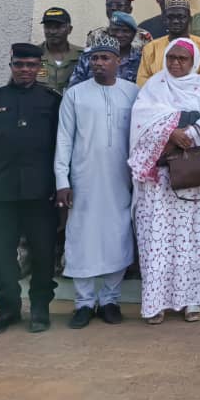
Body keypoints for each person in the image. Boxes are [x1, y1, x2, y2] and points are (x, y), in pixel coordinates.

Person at [0, 43, 61, 334]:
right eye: (19, 65)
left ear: (39, 67)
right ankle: (7, 311)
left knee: (43, 254)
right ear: (11, 65)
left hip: (40, 192)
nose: (25, 70)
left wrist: (62, 187)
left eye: (31, 65)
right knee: (1, 255)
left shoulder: (51, 100)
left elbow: (62, 146)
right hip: (1, 192)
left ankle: (40, 310)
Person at [128, 38, 200, 324]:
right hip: (159, 182)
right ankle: (155, 304)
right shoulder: (154, 86)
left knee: (192, 239)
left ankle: (191, 302)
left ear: (192, 61)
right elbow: (140, 120)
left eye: (182, 59)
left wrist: (188, 133)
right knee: (157, 238)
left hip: (194, 177)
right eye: (172, 58)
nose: (176, 64)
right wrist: (171, 131)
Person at [53, 35, 137, 328]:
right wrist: (62, 181)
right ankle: (84, 303)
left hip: (120, 181)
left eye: (105, 58)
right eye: (94, 58)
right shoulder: (75, 95)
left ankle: (110, 300)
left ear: (119, 61)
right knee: (83, 238)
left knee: (118, 235)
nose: (98, 63)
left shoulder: (133, 93)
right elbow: (63, 140)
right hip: (84, 180)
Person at [136, 0, 200, 86]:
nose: (175, 21)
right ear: (164, 19)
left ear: (189, 19)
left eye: (181, 17)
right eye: (170, 17)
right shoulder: (151, 48)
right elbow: (142, 81)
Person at [68, 12, 141, 87]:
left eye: (125, 31)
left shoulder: (140, 59)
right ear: (108, 32)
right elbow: (74, 87)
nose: (119, 35)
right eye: (115, 30)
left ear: (134, 34)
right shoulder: (89, 55)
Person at [86, 0, 152, 53]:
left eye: (119, 5)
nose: (113, 8)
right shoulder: (95, 35)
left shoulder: (143, 36)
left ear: (130, 9)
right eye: (109, 5)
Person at [37, 7, 83, 92]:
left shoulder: (83, 56)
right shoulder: (33, 55)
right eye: (48, 27)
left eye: (58, 27)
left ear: (70, 29)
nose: (52, 31)